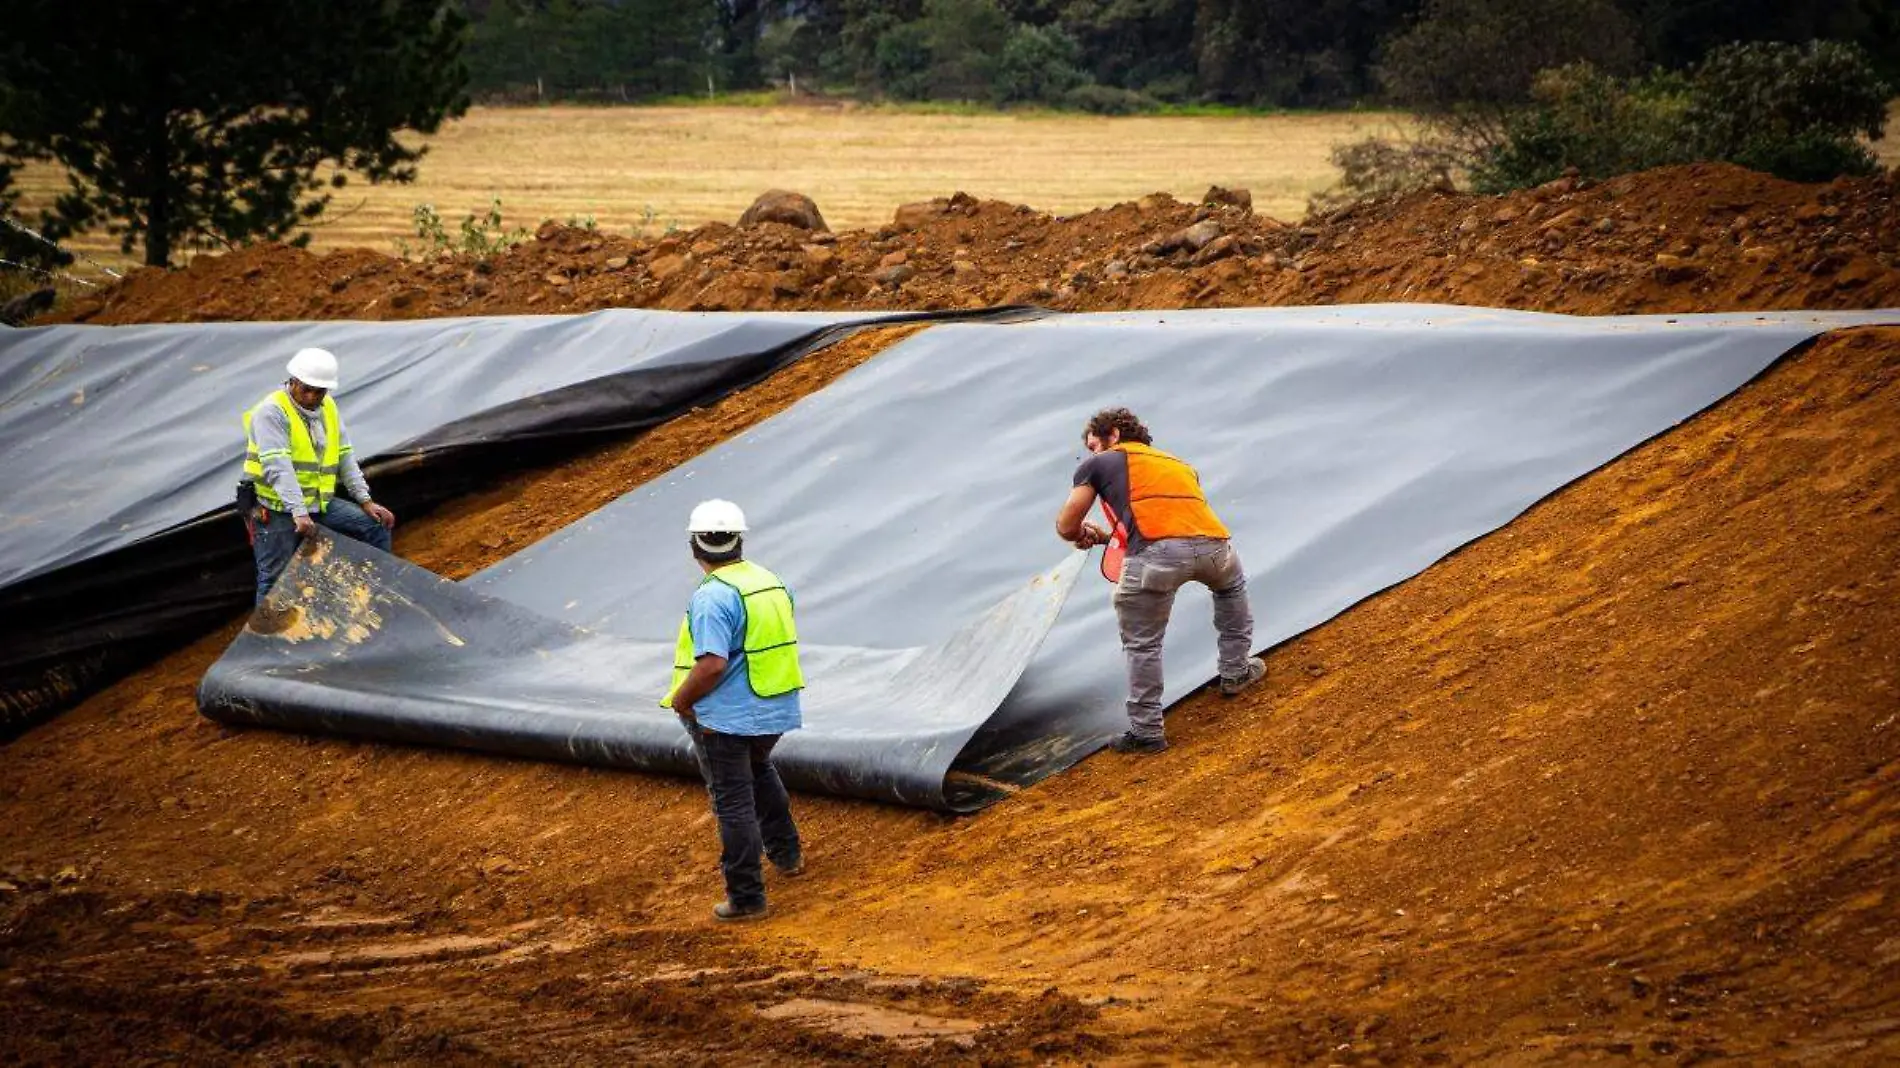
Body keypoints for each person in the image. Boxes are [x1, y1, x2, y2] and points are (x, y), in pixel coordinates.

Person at [1055, 407, 1264, 754]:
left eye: (1094, 445)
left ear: (1114, 435)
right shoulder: (1179, 464)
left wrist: (1079, 534)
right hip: (1216, 548)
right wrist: (1108, 537)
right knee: (1231, 591)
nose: (1092, 453)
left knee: (1143, 644)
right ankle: (1236, 671)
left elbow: (1067, 523)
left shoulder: (1099, 464)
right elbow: (1168, 522)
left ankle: (1147, 731)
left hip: (1155, 558)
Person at [661, 499, 806, 922]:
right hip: (774, 707)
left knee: (732, 802)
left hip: (724, 716)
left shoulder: (713, 597)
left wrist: (683, 701)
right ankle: (787, 854)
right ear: (739, 541)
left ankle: (746, 898)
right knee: (759, 770)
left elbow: (711, 664)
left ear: (695, 547)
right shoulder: (771, 581)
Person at [241, 347, 396, 604]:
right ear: (293, 381)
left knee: (375, 526)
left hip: (318, 503)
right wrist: (298, 512)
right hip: (277, 509)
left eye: (319, 391)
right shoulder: (271, 412)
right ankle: (267, 641)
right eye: (306, 389)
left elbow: (344, 454)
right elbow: (278, 467)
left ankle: (378, 599)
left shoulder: (328, 408)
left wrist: (365, 500)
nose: (312, 397)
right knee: (273, 580)